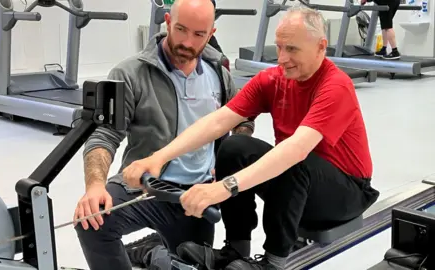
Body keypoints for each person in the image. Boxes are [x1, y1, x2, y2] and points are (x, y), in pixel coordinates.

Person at [122, 6, 380, 270]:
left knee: (290, 160)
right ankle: (236, 250)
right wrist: (158, 158)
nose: (281, 58)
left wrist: (223, 187)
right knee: (234, 147)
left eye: (292, 49)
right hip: (298, 186)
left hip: (347, 194)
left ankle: (274, 262)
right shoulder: (273, 80)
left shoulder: (335, 86)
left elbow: (297, 148)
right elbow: (218, 121)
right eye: (279, 47)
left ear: (320, 46)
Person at [72, 0, 255, 269]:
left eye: (198, 34)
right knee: (92, 223)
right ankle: (152, 249)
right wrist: (95, 186)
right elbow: (104, 136)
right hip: (145, 187)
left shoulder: (220, 74)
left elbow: (244, 119)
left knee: (192, 263)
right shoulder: (128, 72)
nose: (187, 42)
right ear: (168, 21)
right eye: (181, 29)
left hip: (196, 195)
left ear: (211, 33)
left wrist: (227, 158)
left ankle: (149, 251)